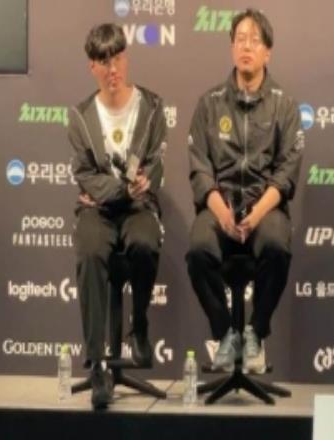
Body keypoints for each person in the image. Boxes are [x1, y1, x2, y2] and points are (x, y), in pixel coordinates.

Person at [186, 8, 303, 374]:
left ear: (268, 52)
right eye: (240, 40)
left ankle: (255, 332)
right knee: (198, 250)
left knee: (277, 245)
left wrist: (257, 214)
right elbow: (200, 167)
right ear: (231, 48)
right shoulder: (209, 103)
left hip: (264, 206)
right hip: (220, 205)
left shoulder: (284, 105)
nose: (246, 47)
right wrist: (220, 210)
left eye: (254, 40)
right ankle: (224, 334)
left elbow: (286, 172)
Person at [68, 23, 167, 409]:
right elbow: (85, 174)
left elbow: (157, 160)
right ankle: (97, 366)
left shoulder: (152, 107)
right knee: (91, 252)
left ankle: (138, 325)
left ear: (126, 58)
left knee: (144, 243)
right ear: (92, 66)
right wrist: (121, 189)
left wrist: (147, 179)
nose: (113, 69)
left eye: (118, 58)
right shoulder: (80, 116)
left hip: (139, 208)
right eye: (104, 61)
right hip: (99, 210)